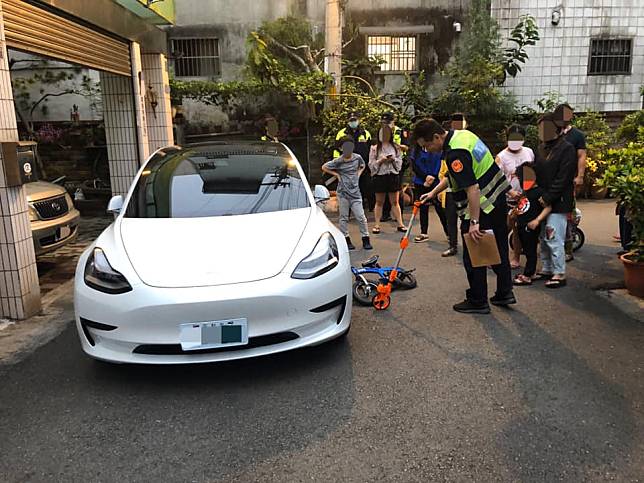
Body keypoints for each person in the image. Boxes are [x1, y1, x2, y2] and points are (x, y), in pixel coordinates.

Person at [414, 119, 514, 314]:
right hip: (497, 198)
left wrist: (474, 223)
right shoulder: (463, 136)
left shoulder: (455, 153)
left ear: (436, 137)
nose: (428, 150)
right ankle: (505, 292)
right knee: (499, 246)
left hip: (482, 206)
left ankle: (478, 300)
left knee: (474, 255)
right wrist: (433, 192)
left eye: (427, 145)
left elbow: (472, 187)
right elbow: (455, 175)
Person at [533, 113, 578, 288]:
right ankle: (546, 267)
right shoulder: (541, 148)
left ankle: (559, 272)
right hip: (542, 200)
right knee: (543, 238)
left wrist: (548, 197)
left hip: (558, 202)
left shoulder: (567, 149)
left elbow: (564, 177)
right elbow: (537, 170)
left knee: (553, 236)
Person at [495, 124, 535, 268]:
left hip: (525, 199)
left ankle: (516, 257)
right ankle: (496, 256)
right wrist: (510, 191)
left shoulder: (529, 152)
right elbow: (497, 178)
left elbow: (533, 172)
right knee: (502, 229)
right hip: (507, 200)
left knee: (518, 230)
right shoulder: (501, 157)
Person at [322, 137, 373, 250]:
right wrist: (337, 175)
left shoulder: (357, 158)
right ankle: (346, 239)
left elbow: (363, 165)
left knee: (361, 217)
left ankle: (366, 238)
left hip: (355, 193)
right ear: (341, 148)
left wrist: (358, 174)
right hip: (343, 193)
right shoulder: (338, 161)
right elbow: (324, 167)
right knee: (344, 217)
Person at [554, 103, 587, 262]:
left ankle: (567, 249)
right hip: (551, 181)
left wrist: (580, 176)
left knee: (567, 215)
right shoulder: (552, 132)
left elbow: (581, 156)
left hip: (568, 182)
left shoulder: (577, 135)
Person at [512, 164, 552, 286]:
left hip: (530, 226)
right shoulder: (526, 192)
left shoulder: (539, 192)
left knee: (530, 251)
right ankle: (531, 272)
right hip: (521, 225)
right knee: (527, 249)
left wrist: (537, 220)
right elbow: (523, 205)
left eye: (520, 178)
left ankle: (528, 275)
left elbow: (548, 207)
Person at [409, 138, 449, 243]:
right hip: (421, 181)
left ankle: (449, 233)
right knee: (423, 207)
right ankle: (423, 233)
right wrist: (425, 177)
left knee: (440, 208)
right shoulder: (416, 151)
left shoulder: (436, 148)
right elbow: (415, 166)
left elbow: (441, 164)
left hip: (435, 182)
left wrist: (433, 177)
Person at [369, 125, 406, 234]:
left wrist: (393, 160)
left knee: (395, 201)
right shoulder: (375, 148)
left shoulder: (395, 147)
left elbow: (400, 162)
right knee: (379, 202)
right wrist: (381, 160)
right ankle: (376, 224)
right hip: (380, 176)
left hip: (392, 175)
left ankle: (400, 223)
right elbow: (371, 165)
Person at [334, 112, 373, 211]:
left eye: (354, 120)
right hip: (347, 166)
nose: (353, 122)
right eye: (351, 120)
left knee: (366, 187)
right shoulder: (341, 134)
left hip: (363, 166)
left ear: (359, 120)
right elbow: (336, 150)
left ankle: (366, 207)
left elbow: (370, 150)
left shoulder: (365, 133)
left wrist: (371, 165)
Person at [380, 112, 408, 220]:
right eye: (383, 122)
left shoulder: (400, 131)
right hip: (384, 162)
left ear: (393, 121)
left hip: (398, 162)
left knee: (396, 189)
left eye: (387, 122)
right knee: (384, 187)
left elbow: (406, 147)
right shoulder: (381, 132)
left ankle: (398, 215)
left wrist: (397, 146)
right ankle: (385, 214)